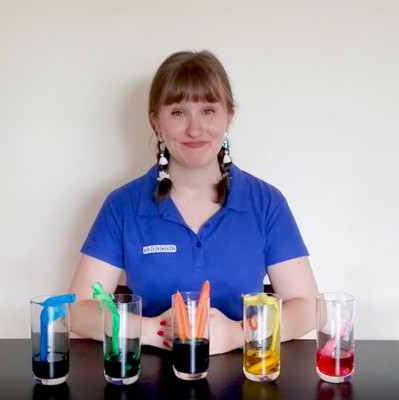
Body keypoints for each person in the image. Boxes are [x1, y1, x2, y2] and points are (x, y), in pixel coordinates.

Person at [68, 50, 318, 355]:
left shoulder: (267, 203)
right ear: (155, 122)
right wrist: (150, 331)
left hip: (246, 377)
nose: (195, 129)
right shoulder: (121, 205)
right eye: (178, 112)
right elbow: (77, 309)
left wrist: (240, 333)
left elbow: (308, 308)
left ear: (229, 118)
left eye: (208, 111)